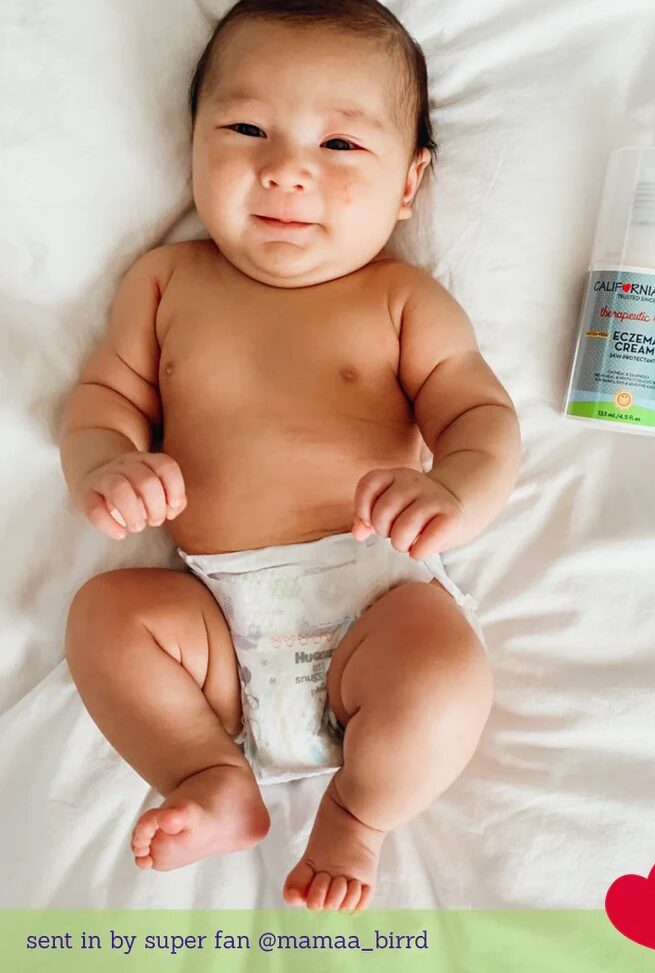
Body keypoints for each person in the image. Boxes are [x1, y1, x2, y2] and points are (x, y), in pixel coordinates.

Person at [60, 0, 521, 912]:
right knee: (104, 616)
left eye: (341, 146)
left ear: (408, 183)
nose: (284, 171)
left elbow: (479, 412)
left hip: (374, 603)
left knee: (443, 675)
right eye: (244, 129)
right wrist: (107, 465)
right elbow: (104, 400)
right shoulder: (164, 282)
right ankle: (207, 771)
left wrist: (455, 493)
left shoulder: (400, 298)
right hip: (214, 621)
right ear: (191, 143)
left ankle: (356, 818)